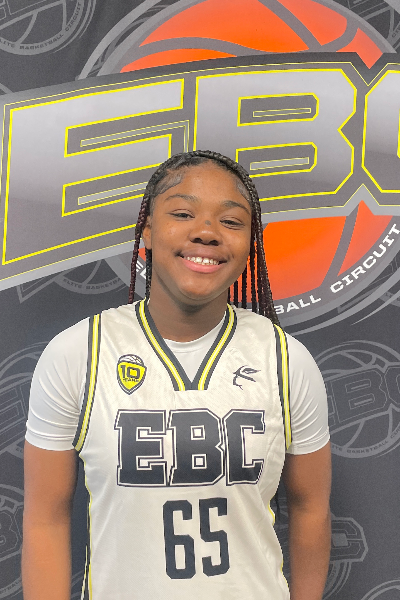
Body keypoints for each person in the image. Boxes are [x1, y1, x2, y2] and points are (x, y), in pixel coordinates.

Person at [22, 150, 331, 600]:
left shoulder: (285, 359)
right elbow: (45, 519)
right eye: (183, 214)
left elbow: (311, 510)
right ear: (147, 229)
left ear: (250, 244)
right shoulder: (79, 353)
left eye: (231, 221)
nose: (206, 232)